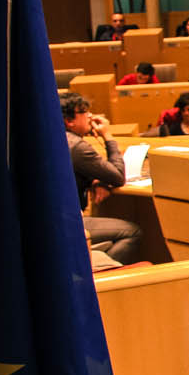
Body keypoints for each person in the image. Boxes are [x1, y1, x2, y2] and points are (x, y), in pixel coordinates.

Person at [61, 93, 143, 264]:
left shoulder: (58, 139)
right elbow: (119, 177)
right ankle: (91, 275)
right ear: (70, 121)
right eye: (84, 112)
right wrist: (108, 136)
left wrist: (96, 180)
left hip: (53, 220)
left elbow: (71, 170)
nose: (90, 116)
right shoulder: (77, 147)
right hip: (68, 222)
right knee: (133, 232)